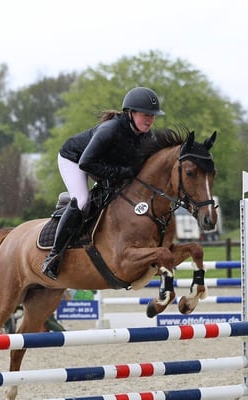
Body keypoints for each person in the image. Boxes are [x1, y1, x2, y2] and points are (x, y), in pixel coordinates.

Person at [41, 86, 166, 279]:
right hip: (74, 159)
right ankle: (53, 256)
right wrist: (121, 172)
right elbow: (86, 163)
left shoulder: (145, 136)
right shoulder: (110, 130)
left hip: (100, 163)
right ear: (130, 113)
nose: (150, 120)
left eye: (152, 116)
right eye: (145, 115)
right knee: (82, 200)